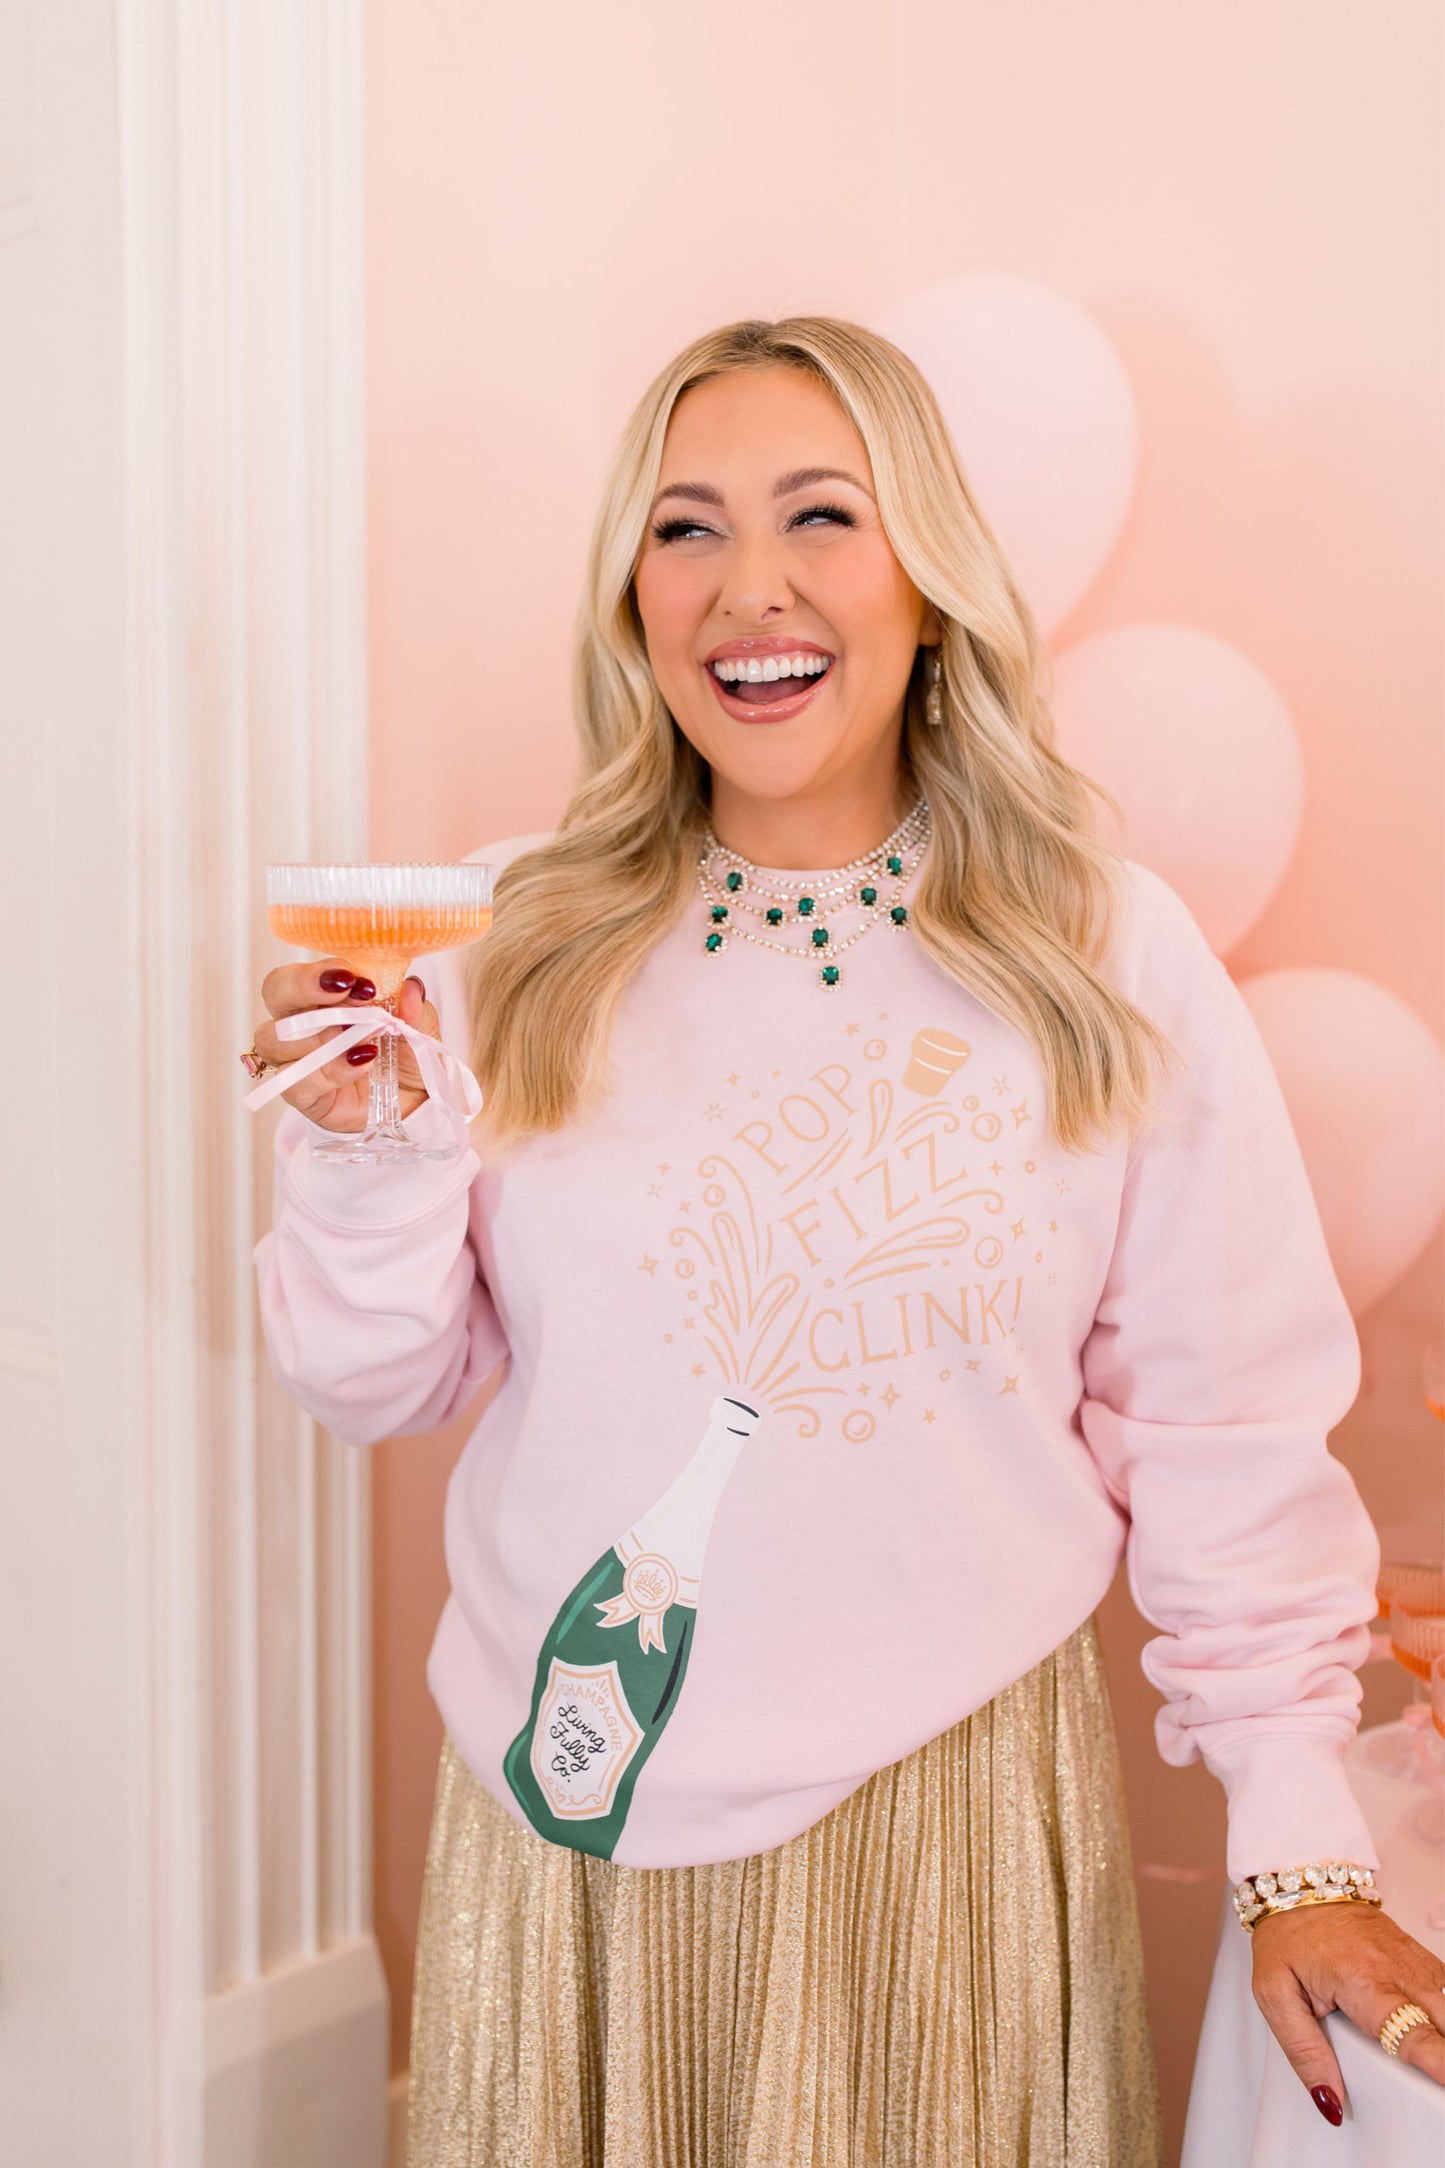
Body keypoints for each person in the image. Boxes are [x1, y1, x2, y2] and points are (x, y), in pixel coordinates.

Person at [249, 318, 1445, 2167]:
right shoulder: (513, 934)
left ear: (929, 579)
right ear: (629, 593)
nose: (750, 588)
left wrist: (1298, 1849)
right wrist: (362, 1158)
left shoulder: (1095, 951)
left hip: (944, 1832)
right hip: (567, 1832)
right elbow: (369, 1385)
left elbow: (1224, 1426)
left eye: (822, 515)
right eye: (684, 528)